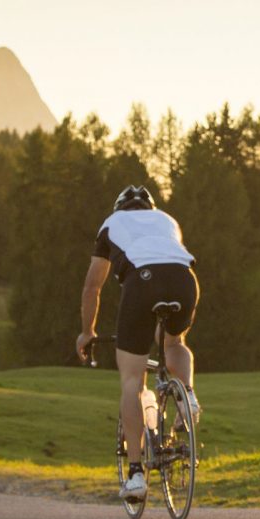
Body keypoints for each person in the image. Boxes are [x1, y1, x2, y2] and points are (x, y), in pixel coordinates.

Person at [76, 185, 200, 502]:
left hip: (142, 282)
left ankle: (135, 474)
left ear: (120, 208)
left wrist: (87, 331)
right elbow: (168, 258)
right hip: (185, 280)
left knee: (133, 379)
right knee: (173, 342)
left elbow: (93, 287)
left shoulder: (111, 224)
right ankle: (188, 395)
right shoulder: (167, 219)